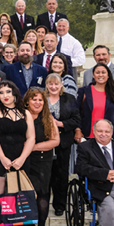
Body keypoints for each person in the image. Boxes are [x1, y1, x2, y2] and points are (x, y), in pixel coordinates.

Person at [0, 81, 35, 226]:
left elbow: (31, 138)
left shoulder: (25, 112)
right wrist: (2, 158)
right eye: (1, 92)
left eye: (8, 91)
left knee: (17, 196)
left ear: (15, 93)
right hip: (0, 158)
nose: (5, 95)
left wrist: (22, 158)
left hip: (21, 159)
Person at [18, 88, 60, 226]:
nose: (37, 102)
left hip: (42, 160)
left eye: (40, 100)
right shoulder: (20, 117)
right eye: (34, 99)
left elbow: (55, 141)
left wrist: (33, 147)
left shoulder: (48, 118)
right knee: (25, 194)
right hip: (24, 160)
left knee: (42, 195)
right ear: (27, 101)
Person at [42, 72, 80, 217]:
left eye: (56, 84)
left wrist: (60, 123)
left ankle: (59, 205)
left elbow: (76, 119)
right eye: (50, 84)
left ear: (61, 85)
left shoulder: (69, 99)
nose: (53, 86)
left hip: (63, 142)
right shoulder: (41, 98)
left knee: (61, 175)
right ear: (46, 85)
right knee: (45, 175)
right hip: (43, 142)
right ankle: (43, 204)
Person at [76, 64, 114, 141]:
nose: (100, 75)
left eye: (103, 72)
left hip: (110, 136)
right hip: (88, 136)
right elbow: (77, 112)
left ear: (108, 75)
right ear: (93, 75)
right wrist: (78, 129)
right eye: (97, 72)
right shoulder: (84, 91)